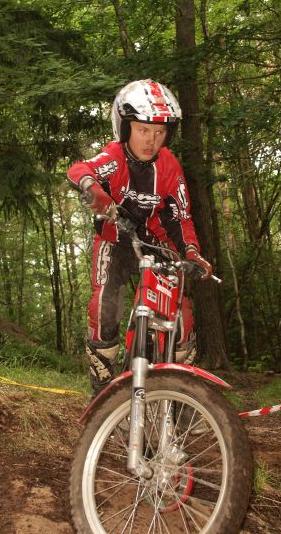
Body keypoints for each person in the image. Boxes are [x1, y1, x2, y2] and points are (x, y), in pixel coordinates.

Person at [67, 79, 212, 396]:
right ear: (125, 127)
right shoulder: (114, 156)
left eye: (159, 132)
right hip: (114, 239)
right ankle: (102, 389)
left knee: (182, 317)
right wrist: (93, 189)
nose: (151, 140)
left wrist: (192, 252)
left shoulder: (170, 165)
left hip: (156, 243)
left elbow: (181, 216)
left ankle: (180, 396)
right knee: (104, 307)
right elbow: (79, 169)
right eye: (143, 130)